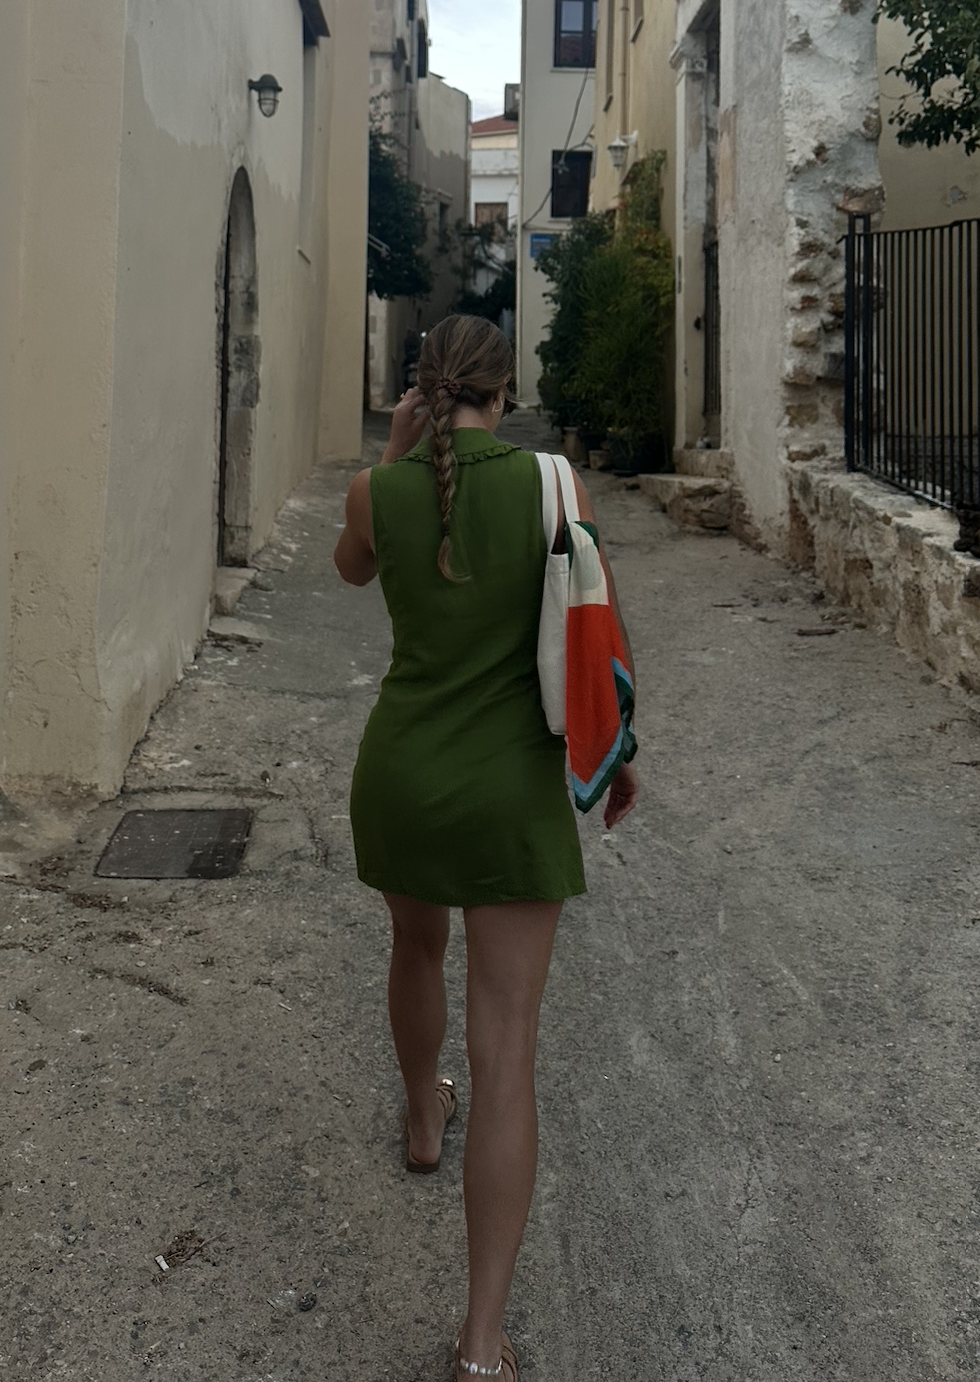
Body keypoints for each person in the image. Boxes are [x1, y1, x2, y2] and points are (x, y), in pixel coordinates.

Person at [333, 314, 639, 1381]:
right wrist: (620, 749)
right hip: (509, 791)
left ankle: (422, 1122)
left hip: (402, 780)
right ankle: (477, 1346)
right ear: (506, 389)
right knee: (505, 1051)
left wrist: (389, 458)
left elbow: (349, 573)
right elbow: (596, 620)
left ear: (419, 394)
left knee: (414, 950)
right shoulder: (556, 486)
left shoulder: (381, 495)